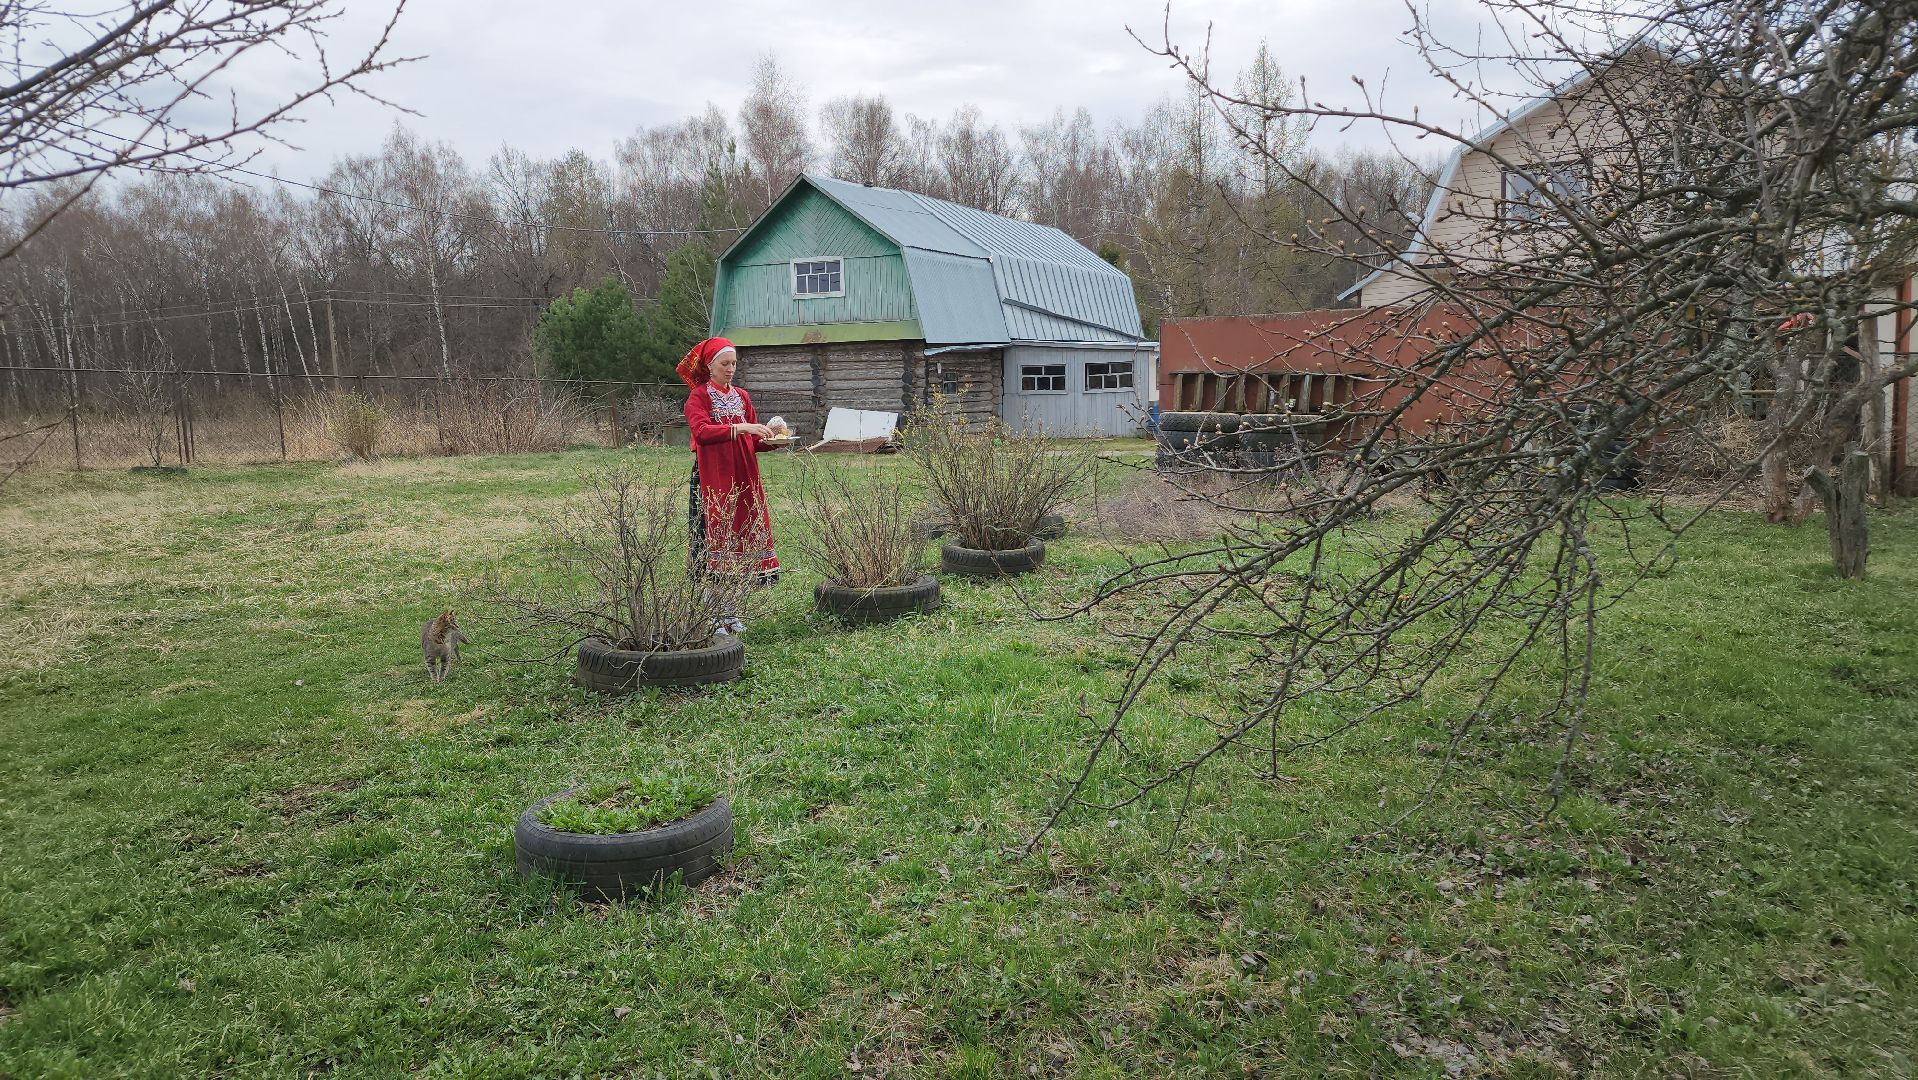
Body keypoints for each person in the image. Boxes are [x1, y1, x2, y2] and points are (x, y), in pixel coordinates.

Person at [677, 337, 780, 633]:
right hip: (713, 479)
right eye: (725, 363)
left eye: (734, 363)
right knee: (716, 541)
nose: (731, 368)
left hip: (744, 478)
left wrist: (771, 439)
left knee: (739, 540)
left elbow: (754, 442)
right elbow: (702, 431)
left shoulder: (742, 397)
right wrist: (740, 427)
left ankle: (730, 613)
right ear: (709, 366)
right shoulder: (699, 397)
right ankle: (712, 615)